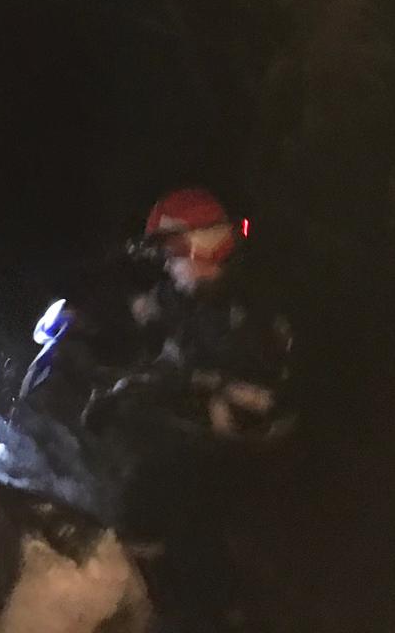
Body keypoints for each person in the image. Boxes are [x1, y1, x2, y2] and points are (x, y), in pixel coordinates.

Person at [77, 188, 295, 629]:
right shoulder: (186, 293)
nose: (167, 265)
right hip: (199, 429)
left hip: (246, 448)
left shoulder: (249, 314)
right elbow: (145, 318)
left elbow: (252, 409)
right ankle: (169, 592)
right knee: (150, 498)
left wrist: (153, 396)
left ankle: (214, 610)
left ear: (203, 246)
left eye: (172, 253)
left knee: (168, 510)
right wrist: (82, 321)